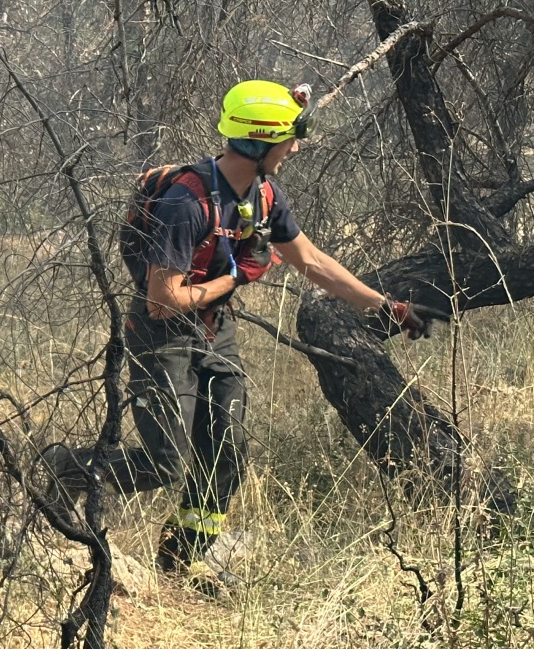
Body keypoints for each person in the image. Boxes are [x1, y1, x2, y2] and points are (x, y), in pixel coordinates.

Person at [42, 80, 431, 585]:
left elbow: (311, 261)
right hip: (163, 338)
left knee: (226, 453)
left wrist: (388, 308)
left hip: (215, 333)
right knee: (164, 461)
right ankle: (63, 469)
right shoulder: (187, 202)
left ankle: (179, 561)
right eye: (289, 138)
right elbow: (163, 302)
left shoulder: (264, 194)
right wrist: (236, 278)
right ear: (257, 142)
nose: (295, 147)